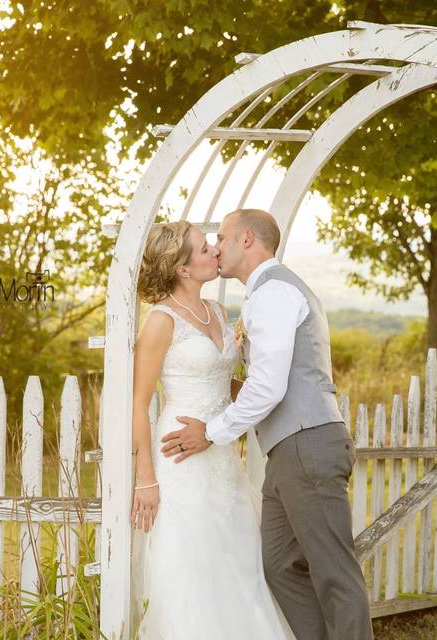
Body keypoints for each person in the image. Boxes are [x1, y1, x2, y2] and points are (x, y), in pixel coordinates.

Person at [161, 209, 374, 640]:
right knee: (278, 566)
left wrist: (212, 431)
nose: (216, 246)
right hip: (287, 451)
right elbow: (268, 380)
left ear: (247, 240)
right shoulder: (263, 294)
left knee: (335, 574)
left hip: (307, 444)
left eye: (221, 237)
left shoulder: (275, 294)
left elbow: (270, 388)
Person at [129, 220, 296, 640]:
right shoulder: (161, 321)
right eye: (205, 248)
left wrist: (267, 390)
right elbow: (138, 401)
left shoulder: (218, 312)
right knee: (193, 563)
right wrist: (146, 481)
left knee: (236, 557)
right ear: (182, 268)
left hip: (221, 454)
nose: (215, 252)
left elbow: (228, 385)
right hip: (180, 456)